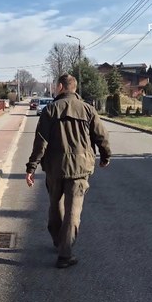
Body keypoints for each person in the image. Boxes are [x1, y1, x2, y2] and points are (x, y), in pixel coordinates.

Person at [25, 73, 111, 269]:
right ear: (75, 89)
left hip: (55, 167)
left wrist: (31, 166)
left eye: (56, 86)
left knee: (55, 205)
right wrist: (105, 156)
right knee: (74, 211)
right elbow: (101, 136)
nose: (55, 89)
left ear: (62, 87)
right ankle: (65, 254)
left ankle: (58, 240)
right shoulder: (88, 109)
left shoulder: (50, 110)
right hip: (80, 168)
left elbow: (41, 142)